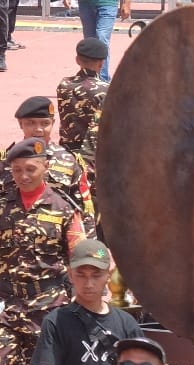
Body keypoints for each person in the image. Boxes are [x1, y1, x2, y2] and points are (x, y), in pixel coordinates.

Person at [0, 137, 85, 365]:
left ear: (45, 167)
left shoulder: (64, 209)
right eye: (16, 170)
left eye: (30, 169)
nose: (23, 175)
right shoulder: (4, 207)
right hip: (7, 305)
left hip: (48, 308)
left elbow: (80, 258)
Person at [32, 239, 141, 365]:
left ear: (109, 275)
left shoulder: (126, 323)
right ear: (70, 274)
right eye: (81, 275)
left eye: (96, 275)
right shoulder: (56, 321)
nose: (88, 283)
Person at [6, 97, 93, 223]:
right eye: (31, 123)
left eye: (45, 123)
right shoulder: (6, 161)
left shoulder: (68, 160)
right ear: (20, 124)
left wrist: (86, 242)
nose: (38, 129)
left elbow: (84, 207)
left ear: (53, 122)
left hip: (55, 234)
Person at [55, 38, 108, 182]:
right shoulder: (105, 90)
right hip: (92, 155)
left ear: (77, 60)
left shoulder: (63, 84)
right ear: (102, 63)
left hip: (66, 152)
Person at [76, 0, 123, 82]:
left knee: (102, 38)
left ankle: (103, 80)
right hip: (85, 4)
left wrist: (126, 3)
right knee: (89, 43)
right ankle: (88, 77)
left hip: (108, 4)